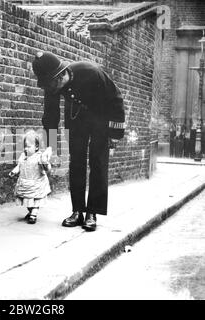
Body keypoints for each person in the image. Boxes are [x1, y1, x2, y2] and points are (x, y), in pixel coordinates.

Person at [32, 51, 125, 231]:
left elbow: (116, 98)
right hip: (76, 119)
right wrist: (50, 146)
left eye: (51, 85)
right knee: (76, 163)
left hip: (100, 119)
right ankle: (77, 211)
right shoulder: (51, 85)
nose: (52, 90)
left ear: (59, 76)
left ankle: (93, 212)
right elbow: (50, 116)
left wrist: (114, 133)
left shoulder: (91, 71)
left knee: (98, 163)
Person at [9, 131, 53, 224]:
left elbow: (47, 168)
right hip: (25, 183)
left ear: (36, 147)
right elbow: (20, 165)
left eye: (29, 147)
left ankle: (34, 214)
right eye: (25, 146)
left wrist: (45, 162)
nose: (26, 149)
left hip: (37, 183)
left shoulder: (39, 157)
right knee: (27, 200)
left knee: (36, 200)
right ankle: (30, 211)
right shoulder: (23, 156)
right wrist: (14, 171)